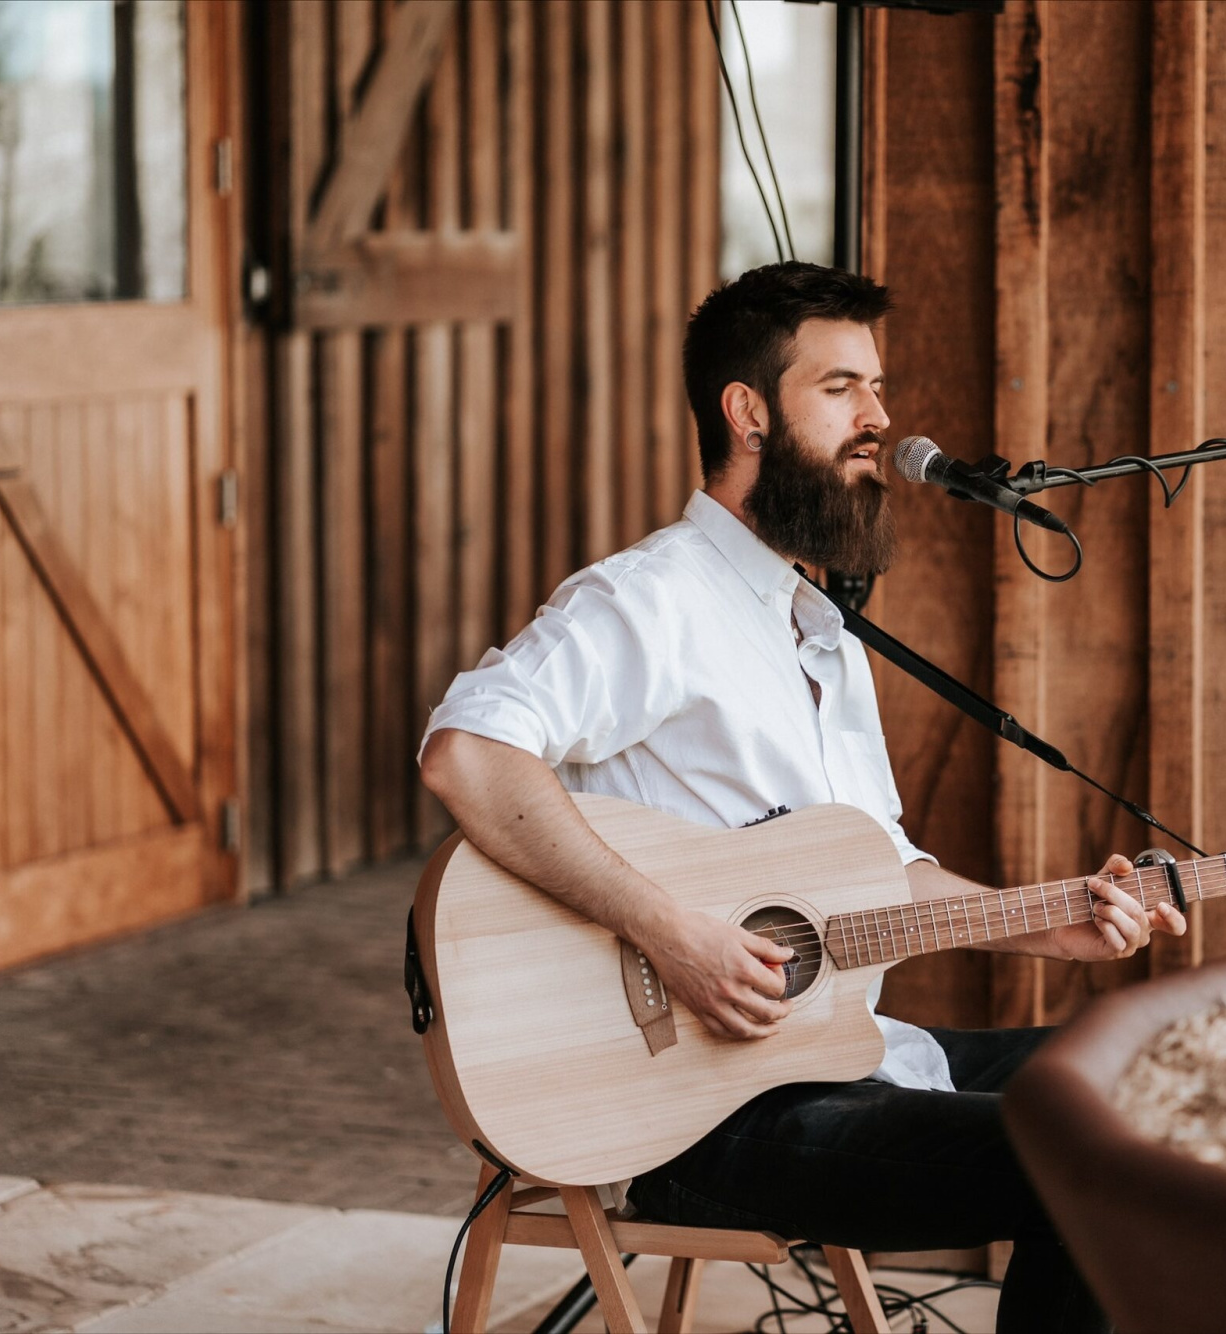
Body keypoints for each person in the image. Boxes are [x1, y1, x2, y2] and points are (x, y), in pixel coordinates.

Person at [418, 261, 1186, 1333]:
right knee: (1091, 1152)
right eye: (841, 388)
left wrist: (1043, 925)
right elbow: (466, 751)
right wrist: (668, 929)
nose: (879, 417)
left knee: (1172, 1077)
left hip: (849, 1054)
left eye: (877, 386)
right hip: (705, 1110)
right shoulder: (653, 600)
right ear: (747, 413)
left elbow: (879, 868)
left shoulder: (821, 636)